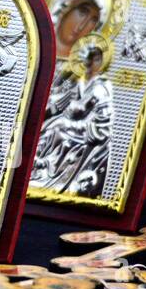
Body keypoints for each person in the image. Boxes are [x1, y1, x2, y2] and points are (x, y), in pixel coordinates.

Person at [31, 42, 114, 196]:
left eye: (95, 59)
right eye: (89, 58)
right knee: (50, 125)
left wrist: (76, 115)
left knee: (57, 128)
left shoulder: (101, 87)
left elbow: (99, 117)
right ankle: (36, 167)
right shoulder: (81, 82)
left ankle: (50, 169)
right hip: (72, 123)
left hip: (89, 129)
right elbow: (66, 100)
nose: (90, 63)